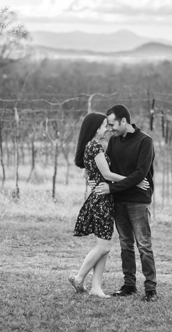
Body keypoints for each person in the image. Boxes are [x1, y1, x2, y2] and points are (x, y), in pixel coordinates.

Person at [69, 112, 149, 298]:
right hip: (102, 199)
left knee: (103, 244)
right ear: (96, 128)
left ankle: (96, 287)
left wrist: (92, 181)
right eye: (105, 126)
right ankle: (80, 277)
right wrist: (134, 181)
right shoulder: (95, 146)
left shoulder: (91, 146)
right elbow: (107, 174)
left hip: (102, 197)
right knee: (104, 247)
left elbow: (87, 173)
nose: (108, 129)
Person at [94, 104, 158, 302]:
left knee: (144, 245)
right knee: (125, 245)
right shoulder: (114, 141)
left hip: (138, 202)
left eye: (112, 124)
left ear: (124, 121)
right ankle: (129, 285)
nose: (110, 129)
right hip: (120, 201)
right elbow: (112, 171)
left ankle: (150, 290)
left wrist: (112, 188)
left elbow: (140, 174)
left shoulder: (145, 142)